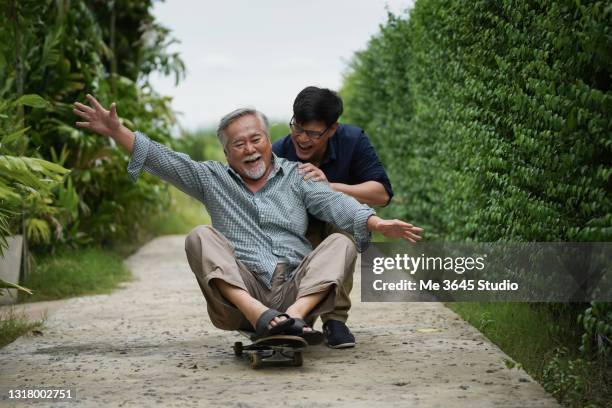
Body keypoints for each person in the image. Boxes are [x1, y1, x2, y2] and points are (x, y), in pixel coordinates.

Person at [73, 94, 423, 347]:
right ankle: (261, 317)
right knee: (199, 235)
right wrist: (117, 132)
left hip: (296, 288)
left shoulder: (298, 175)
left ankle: (296, 316)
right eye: (238, 144)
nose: (249, 148)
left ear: (270, 142)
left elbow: (335, 204)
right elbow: (164, 160)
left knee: (342, 241)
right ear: (226, 153)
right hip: (244, 294)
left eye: (256, 139)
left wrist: (376, 224)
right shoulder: (211, 178)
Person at [273, 86, 393, 347]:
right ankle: (298, 314)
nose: (303, 139)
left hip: (338, 223)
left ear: (333, 129)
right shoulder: (278, 151)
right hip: (295, 227)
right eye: (298, 128)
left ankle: (335, 320)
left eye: (313, 133)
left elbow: (381, 194)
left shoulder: (354, 141)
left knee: (344, 229)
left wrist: (330, 186)